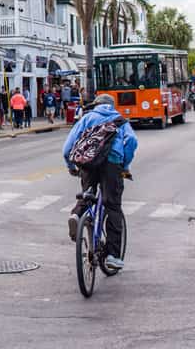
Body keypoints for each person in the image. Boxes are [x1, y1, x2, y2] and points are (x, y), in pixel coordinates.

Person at [62, 93, 137, 270]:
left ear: (96, 105)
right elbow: (132, 141)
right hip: (112, 164)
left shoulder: (87, 118)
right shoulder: (120, 120)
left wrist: (70, 164)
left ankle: (76, 215)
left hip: (88, 163)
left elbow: (68, 146)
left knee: (88, 195)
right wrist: (124, 165)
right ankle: (112, 255)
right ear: (112, 106)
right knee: (112, 206)